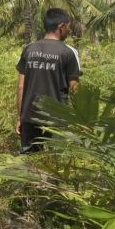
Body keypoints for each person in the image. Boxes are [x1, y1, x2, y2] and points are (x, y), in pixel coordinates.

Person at [16, 8, 81, 154]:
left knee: (29, 164)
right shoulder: (67, 53)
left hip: (29, 116)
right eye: (68, 27)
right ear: (61, 27)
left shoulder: (29, 49)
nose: (68, 31)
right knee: (56, 168)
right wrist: (80, 118)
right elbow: (74, 89)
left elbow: (21, 87)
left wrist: (20, 117)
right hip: (56, 120)